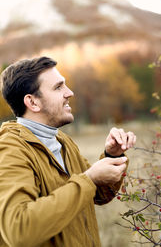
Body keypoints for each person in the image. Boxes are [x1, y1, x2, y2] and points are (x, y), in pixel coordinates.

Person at [0, 56, 136, 247]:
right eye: (58, 87)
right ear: (33, 103)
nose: (69, 93)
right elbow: (19, 230)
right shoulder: (10, 150)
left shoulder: (62, 141)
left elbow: (97, 194)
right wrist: (89, 179)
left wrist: (112, 155)